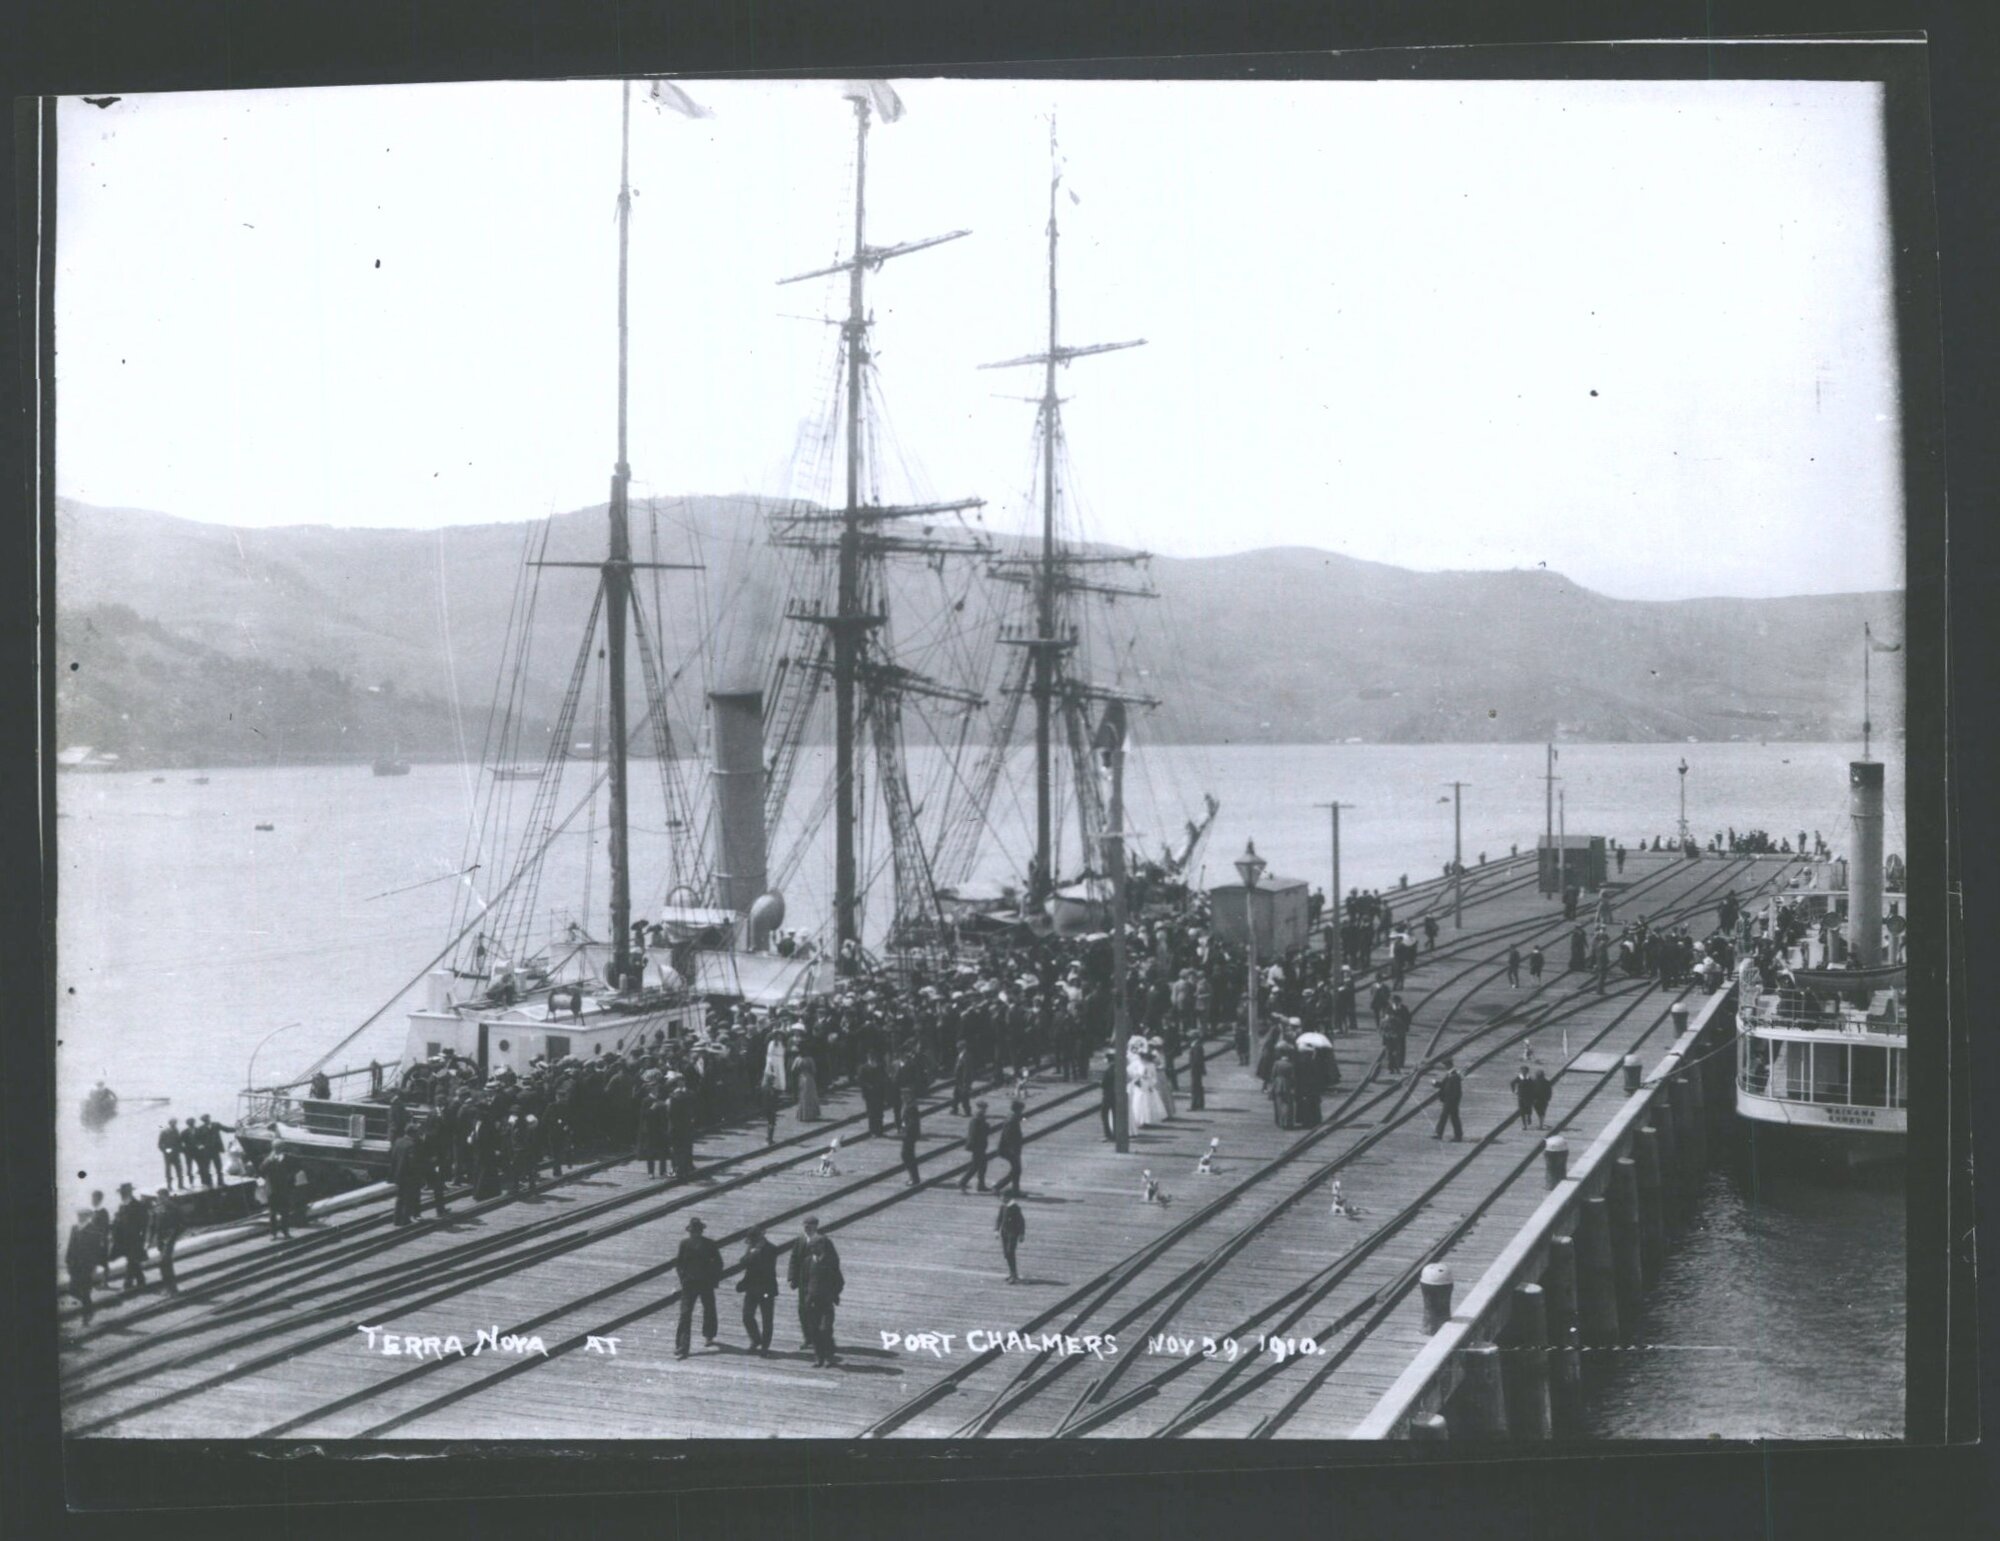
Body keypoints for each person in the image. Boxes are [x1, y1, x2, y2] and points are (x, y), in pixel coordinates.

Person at [796, 1217, 845, 1367]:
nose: (813, 1250)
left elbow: (839, 1281)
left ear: (822, 1247)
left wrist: (834, 1294)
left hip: (826, 1302)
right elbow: (804, 1281)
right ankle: (819, 1358)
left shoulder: (829, 1262)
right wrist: (806, 1296)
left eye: (815, 1247)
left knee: (825, 1329)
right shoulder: (807, 1262)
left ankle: (829, 1356)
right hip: (811, 1302)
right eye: (811, 1248)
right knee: (814, 1331)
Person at [673, 1217, 725, 1358]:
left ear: (701, 1232)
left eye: (696, 1231)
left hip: (705, 1283)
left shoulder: (710, 1244)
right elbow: (679, 1264)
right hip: (689, 1284)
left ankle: (709, 1335)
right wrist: (683, 1278)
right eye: (692, 1232)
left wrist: (713, 1279)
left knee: (709, 1309)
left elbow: (719, 1263)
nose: (694, 1234)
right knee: (685, 1314)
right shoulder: (684, 1244)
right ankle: (682, 1346)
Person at [737, 1226, 779, 1355]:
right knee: (747, 1316)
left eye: (753, 1240)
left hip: (766, 1289)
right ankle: (756, 1339)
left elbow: (764, 1266)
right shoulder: (752, 1247)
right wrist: (752, 1253)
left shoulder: (771, 1249)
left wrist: (754, 1254)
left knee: (767, 1319)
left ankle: (765, 1346)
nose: (751, 1242)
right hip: (751, 1288)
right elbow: (742, 1263)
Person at [110, 1183, 150, 1292]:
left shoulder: (138, 1206)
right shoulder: (122, 1206)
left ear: (129, 1193)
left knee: (131, 1260)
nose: (121, 1195)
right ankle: (141, 1280)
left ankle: (127, 1284)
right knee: (132, 1260)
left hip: (135, 1239)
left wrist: (143, 1238)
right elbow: (118, 1222)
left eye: (124, 1193)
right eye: (121, 1193)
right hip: (124, 1240)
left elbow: (144, 1222)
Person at [66, 1209, 101, 1327]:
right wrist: (68, 1261)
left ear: (88, 1217)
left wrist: (94, 1267)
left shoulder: (93, 1230)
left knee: (85, 1291)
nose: (79, 1217)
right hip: (75, 1265)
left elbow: (96, 1250)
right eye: (78, 1215)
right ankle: (89, 1308)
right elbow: (70, 1246)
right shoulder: (75, 1228)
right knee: (72, 1290)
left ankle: (86, 1317)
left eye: (82, 1216)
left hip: (86, 1266)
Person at [149, 1188, 185, 1297]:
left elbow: (182, 1224)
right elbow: (152, 1225)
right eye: (159, 1197)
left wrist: (174, 1235)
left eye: (162, 1197)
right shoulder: (157, 1209)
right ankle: (169, 1288)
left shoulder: (174, 1208)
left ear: (167, 1197)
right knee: (165, 1263)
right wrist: (149, 1240)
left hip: (170, 1237)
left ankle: (172, 1289)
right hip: (160, 1239)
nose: (160, 1199)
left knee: (164, 1262)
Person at [389, 1127, 426, 1226]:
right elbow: (412, 1162)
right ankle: (405, 1220)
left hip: (398, 1174)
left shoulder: (398, 1141)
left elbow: (393, 1157)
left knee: (400, 1197)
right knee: (408, 1198)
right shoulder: (412, 1145)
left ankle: (396, 1220)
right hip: (409, 1176)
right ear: (412, 1133)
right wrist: (419, 1174)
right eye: (417, 1133)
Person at [994, 1100, 1026, 1196]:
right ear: (1018, 1109)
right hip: (1009, 1149)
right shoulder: (1012, 1120)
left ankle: (1015, 1191)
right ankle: (998, 1186)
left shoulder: (1012, 1117)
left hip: (1012, 1149)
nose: (1022, 1112)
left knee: (1016, 1169)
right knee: (1016, 1169)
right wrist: (1012, 1149)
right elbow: (1008, 1136)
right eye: (1021, 1110)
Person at [959, 1100, 992, 1192]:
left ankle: (980, 1185)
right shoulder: (977, 1119)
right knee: (976, 1166)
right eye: (983, 1108)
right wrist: (987, 1126)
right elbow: (977, 1133)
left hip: (979, 1145)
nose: (984, 1110)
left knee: (981, 1165)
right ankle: (963, 1182)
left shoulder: (978, 1118)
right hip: (978, 1146)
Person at [996, 1194, 1026, 1284]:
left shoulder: (1015, 1208)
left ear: (1008, 1197)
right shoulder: (1003, 1206)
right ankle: (1012, 1273)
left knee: (1010, 1252)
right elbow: (999, 1219)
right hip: (1004, 1233)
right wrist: (996, 1230)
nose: (1001, 1198)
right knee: (1006, 1253)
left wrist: (1021, 1234)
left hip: (1013, 1233)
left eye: (1003, 1196)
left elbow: (1021, 1221)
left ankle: (1014, 1275)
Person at [1432, 1059, 1464, 1142]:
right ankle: (1458, 1135)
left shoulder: (1454, 1076)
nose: (1445, 1067)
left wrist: (1452, 1101)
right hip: (1449, 1100)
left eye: (1445, 1066)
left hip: (1451, 1101)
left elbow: (1457, 1091)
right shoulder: (1450, 1074)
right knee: (1454, 1118)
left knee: (1444, 1116)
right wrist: (1435, 1083)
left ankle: (1439, 1133)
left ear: (1449, 1065)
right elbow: (1443, 1085)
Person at [899, 1096, 924, 1187]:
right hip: (909, 1135)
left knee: (906, 1155)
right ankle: (913, 1177)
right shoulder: (908, 1107)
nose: (903, 1097)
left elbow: (912, 1123)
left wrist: (905, 1131)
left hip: (909, 1135)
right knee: (907, 1155)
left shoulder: (911, 1108)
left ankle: (914, 1178)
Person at [1099, 1051, 1121, 1140]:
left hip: (1108, 1095)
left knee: (1104, 1114)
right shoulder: (1119, 1068)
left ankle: (1108, 1134)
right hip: (1117, 1094)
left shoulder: (1108, 1070)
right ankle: (1117, 1133)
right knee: (1116, 1115)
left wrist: (1101, 1083)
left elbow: (1104, 1083)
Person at [794, 1047, 820, 1123]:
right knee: (810, 1096)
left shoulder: (797, 1059)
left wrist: (799, 1073)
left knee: (802, 1096)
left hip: (801, 1078)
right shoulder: (810, 1059)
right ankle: (810, 1115)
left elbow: (793, 1069)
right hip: (809, 1078)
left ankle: (802, 1115)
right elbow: (814, 1070)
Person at [1510, 1059, 1536, 1132]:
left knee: (1529, 1109)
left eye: (1525, 1071)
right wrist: (1514, 1091)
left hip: (1528, 1096)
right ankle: (1524, 1125)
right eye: (1522, 1071)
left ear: (1527, 1072)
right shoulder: (1519, 1078)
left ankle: (1529, 1117)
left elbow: (1534, 1086)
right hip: (1521, 1096)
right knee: (1522, 1111)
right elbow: (1512, 1083)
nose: (1523, 1073)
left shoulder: (1530, 1078)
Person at [159, 1119, 186, 1190]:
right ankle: (169, 1186)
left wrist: (181, 1150)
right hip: (168, 1155)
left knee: (179, 1170)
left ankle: (181, 1185)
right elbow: (160, 1144)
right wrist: (166, 1151)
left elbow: (179, 1142)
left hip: (176, 1154)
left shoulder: (176, 1131)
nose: (174, 1124)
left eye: (175, 1123)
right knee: (168, 1171)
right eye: (173, 1123)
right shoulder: (164, 1132)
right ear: (170, 1124)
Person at [1530, 1065, 1553, 1130]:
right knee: (1542, 1112)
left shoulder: (1534, 1082)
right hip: (1543, 1099)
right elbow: (1549, 1091)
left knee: (1539, 1112)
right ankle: (1541, 1124)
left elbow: (1531, 1091)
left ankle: (1540, 1125)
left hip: (1537, 1099)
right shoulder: (1547, 1082)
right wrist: (1548, 1098)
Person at [1187, 1032, 1207, 1112]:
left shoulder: (1197, 1046)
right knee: (1198, 1086)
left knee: (1195, 1087)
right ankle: (1199, 1104)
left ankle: (1195, 1104)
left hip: (1196, 1069)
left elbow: (1197, 1059)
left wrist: (1194, 1067)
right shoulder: (1197, 1045)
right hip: (1197, 1069)